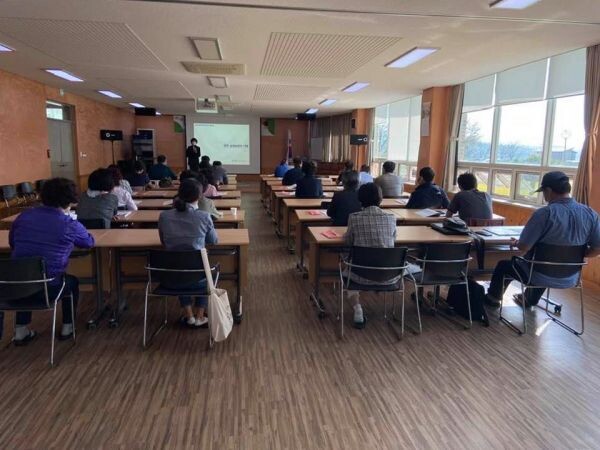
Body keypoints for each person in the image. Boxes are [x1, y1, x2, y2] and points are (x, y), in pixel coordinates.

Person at [486, 171, 600, 308]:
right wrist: (575, 255)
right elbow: (597, 249)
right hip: (571, 277)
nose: (544, 196)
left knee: (505, 265)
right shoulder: (591, 214)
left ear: (549, 191)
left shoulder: (545, 213)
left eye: (543, 192)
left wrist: (516, 242)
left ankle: (492, 299)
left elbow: (524, 246)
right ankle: (529, 299)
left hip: (539, 274)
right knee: (544, 263)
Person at [9, 178, 95, 344]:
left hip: (14, 285)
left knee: (25, 272)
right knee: (71, 282)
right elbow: (88, 242)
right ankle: (68, 326)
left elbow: (13, 243)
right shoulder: (68, 223)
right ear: (70, 199)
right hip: (49, 287)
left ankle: (20, 331)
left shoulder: (24, 216)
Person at [158, 179, 218, 328]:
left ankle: (189, 315)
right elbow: (213, 240)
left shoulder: (164, 216)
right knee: (204, 269)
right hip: (198, 274)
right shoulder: (204, 216)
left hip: (171, 274)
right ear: (200, 196)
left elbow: (163, 241)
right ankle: (200, 316)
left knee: (180, 264)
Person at [344, 183, 397, 329]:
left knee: (348, 269)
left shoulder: (354, 218)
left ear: (360, 199)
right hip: (388, 274)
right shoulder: (391, 218)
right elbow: (393, 241)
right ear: (380, 199)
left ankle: (357, 309)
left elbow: (348, 242)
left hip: (360, 274)